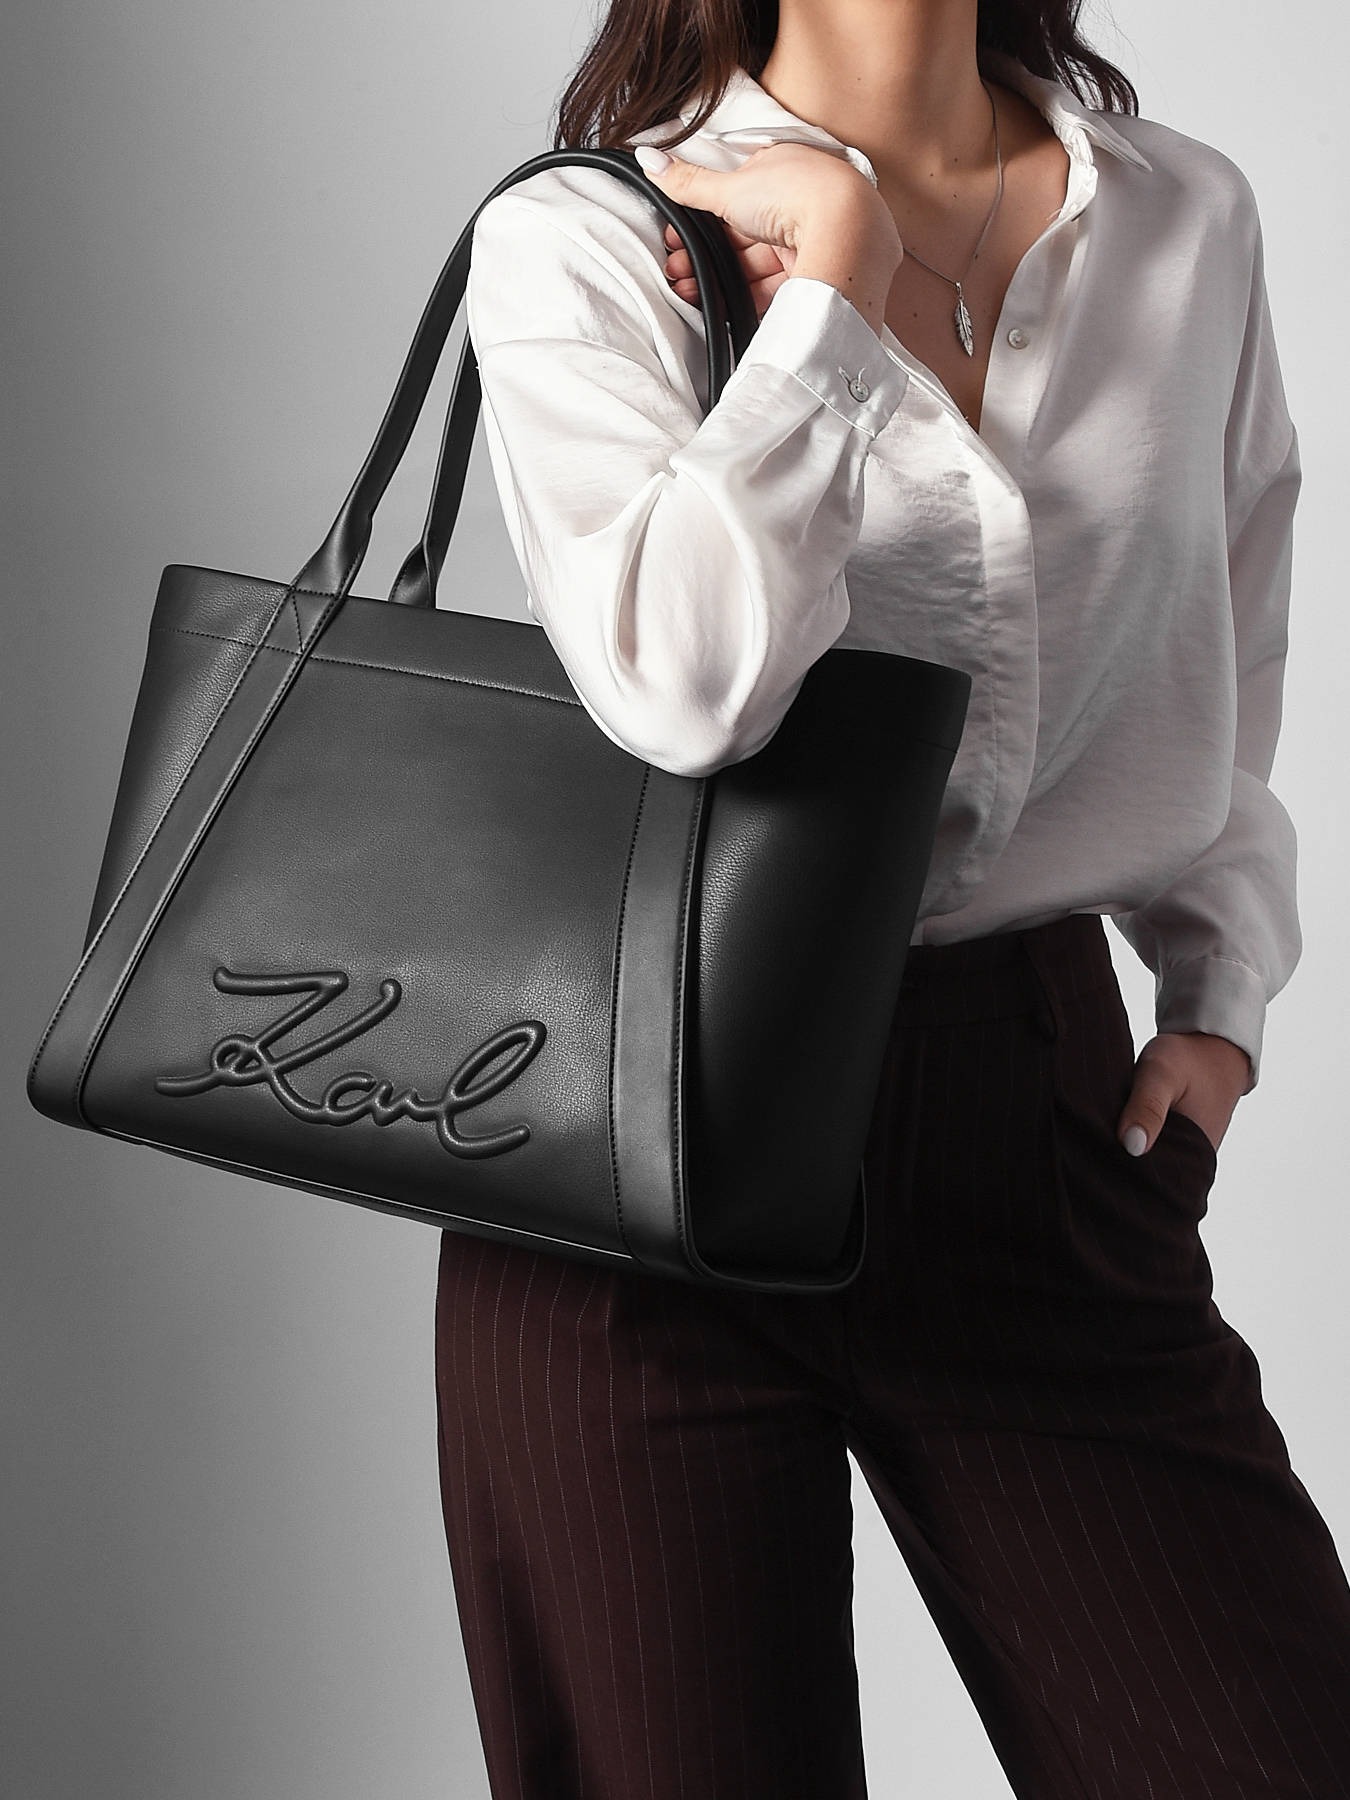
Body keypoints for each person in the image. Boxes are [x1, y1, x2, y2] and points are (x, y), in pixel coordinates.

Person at [433, 2, 1350, 1794]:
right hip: (638, 1141)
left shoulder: (1181, 216)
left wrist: (1219, 994)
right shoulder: (588, 236)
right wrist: (831, 294)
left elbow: (1226, 637)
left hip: (1032, 1121)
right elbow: (686, 687)